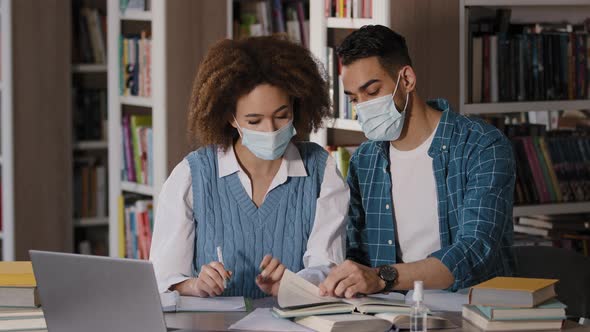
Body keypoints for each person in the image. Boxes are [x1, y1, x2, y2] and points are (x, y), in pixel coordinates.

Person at [319, 25, 516, 299]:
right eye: (354, 98)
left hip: (475, 309)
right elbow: (356, 254)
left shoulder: (482, 145)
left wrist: (382, 278)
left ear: (407, 79)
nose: (362, 107)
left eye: (372, 92)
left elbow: (475, 249)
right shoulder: (364, 161)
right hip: (392, 313)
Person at [150, 36, 349, 299]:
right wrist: (194, 285)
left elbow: (328, 267)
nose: (270, 130)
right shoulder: (192, 175)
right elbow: (162, 278)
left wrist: (291, 283)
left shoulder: (321, 172)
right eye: (254, 120)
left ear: (296, 106)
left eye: (282, 115)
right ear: (230, 117)